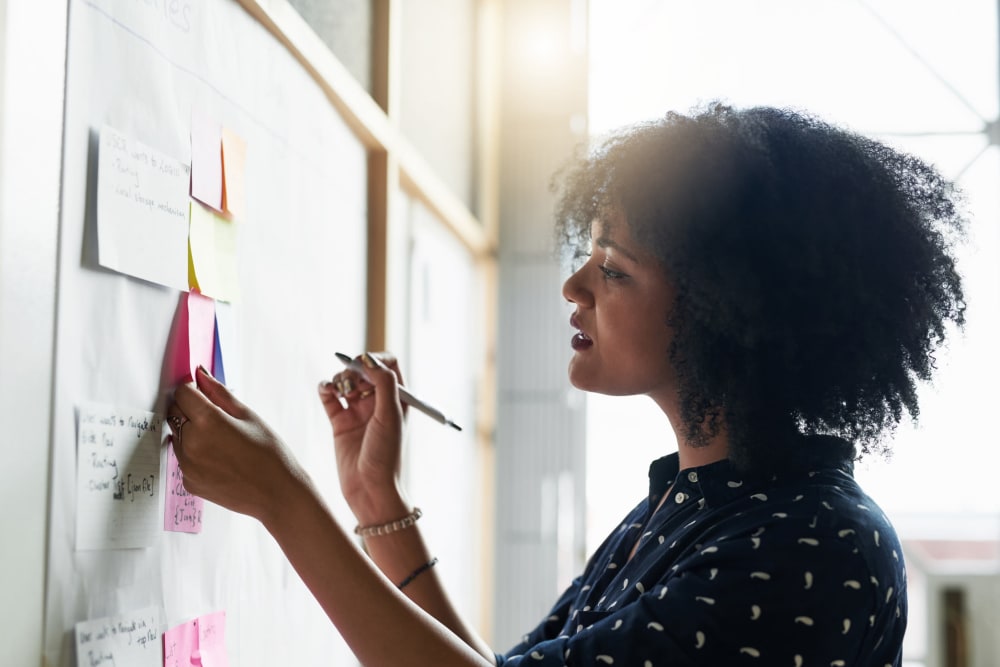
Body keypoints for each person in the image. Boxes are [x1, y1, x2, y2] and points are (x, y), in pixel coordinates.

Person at [167, 103, 967, 666]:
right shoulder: (692, 503)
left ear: (729, 310)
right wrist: (378, 504)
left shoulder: (815, 548)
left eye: (613, 267)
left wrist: (284, 499)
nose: (574, 285)